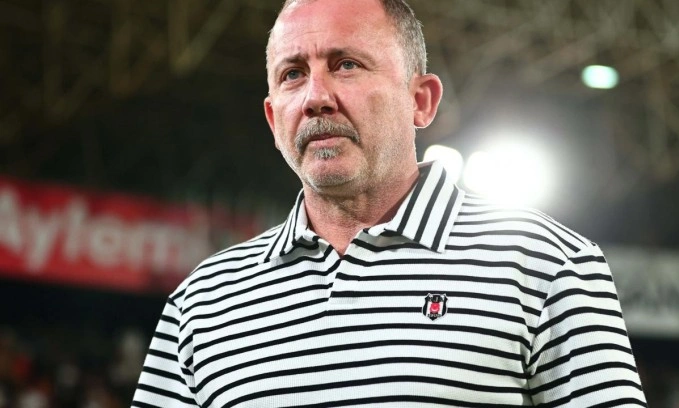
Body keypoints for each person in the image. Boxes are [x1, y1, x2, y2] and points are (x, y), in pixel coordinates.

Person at [133, 0, 648, 406]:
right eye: (292, 74)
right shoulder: (202, 302)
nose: (315, 97)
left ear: (420, 101)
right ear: (273, 119)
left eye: (346, 65)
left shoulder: (547, 264)